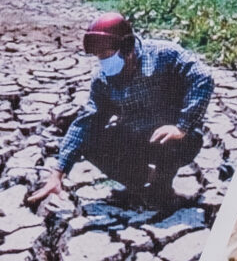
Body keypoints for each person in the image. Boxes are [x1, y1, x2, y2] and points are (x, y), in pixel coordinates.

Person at [27, 11, 214, 214]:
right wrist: (57, 174)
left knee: (168, 140)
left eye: (106, 54)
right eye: (98, 57)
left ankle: (162, 190)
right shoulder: (103, 79)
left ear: (127, 47)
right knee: (89, 140)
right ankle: (141, 182)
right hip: (135, 136)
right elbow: (86, 123)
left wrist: (182, 126)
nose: (103, 62)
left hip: (176, 139)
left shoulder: (163, 55)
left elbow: (203, 78)